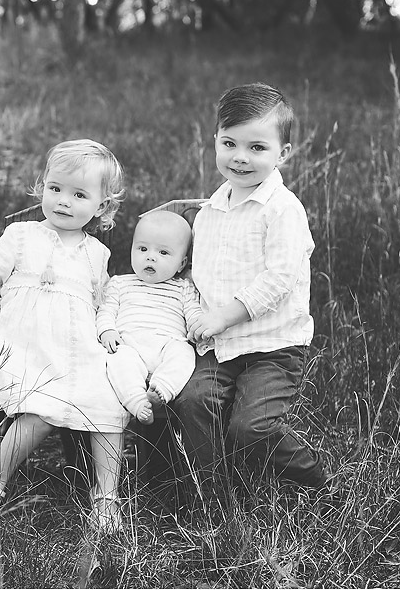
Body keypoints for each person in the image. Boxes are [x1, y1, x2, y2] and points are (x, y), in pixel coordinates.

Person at [172, 82, 328, 501]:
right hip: (220, 345)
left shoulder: (282, 210)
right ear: (215, 141)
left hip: (273, 346)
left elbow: (279, 280)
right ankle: (211, 495)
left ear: (283, 153)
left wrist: (223, 316)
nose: (240, 157)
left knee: (250, 426)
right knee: (193, 402)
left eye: (257, 147)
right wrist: (196, 316)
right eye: (229, 144)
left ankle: (315, 481)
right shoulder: (209, 212)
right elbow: (197, 277)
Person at [0, 138, 129, 532]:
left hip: (79, 349)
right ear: (42, 187)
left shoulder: (97, 253)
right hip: (28, 347)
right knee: (42, 407)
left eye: (79, 195)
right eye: (55, 188)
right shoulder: (21, 236)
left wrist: (106, 333)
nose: (63, 201)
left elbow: (99, 302)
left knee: (108, 405)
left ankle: (106, 496)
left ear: (101, 206)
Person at [96, 211, 204, 425]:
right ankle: (137, 402)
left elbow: (194, 313)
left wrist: (199, 327)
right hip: (129, 343)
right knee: (118, 360)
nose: (150, 257)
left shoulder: (184, 288)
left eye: (163, 252)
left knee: (184, 354)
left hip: (168, 344)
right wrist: (107, 330)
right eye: (142, 249)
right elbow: (106, 310)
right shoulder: (120, 283)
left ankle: (161, 389)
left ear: (181, 264)